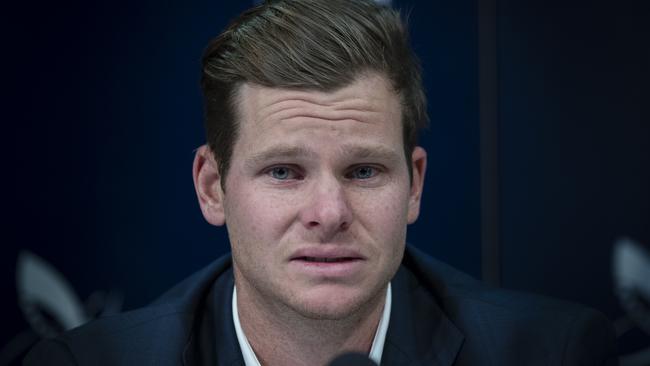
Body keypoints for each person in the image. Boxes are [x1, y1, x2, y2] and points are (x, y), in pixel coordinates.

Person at [24, 0, 617, 365]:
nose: (328, 212)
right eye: (283, 171)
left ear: (414, 185)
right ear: (212, 187)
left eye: (364, 171)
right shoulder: (86, 362)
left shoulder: (550, 352)